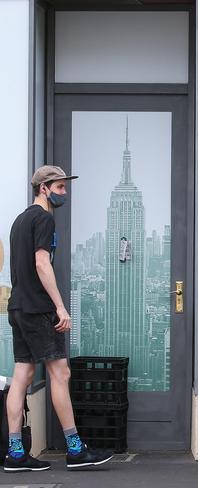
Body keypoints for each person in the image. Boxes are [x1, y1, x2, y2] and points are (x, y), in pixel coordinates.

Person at [4, 165, 113, 472]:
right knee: (61, 373)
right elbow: (42, 263)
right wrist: (60, 307)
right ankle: (75, 449)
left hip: (18, 307)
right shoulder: (43, 218)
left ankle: (15, 453)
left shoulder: (19, 220)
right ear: (44, 188)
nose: (65, 193)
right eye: (61, 187)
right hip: (38, 309)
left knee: (22, 375)